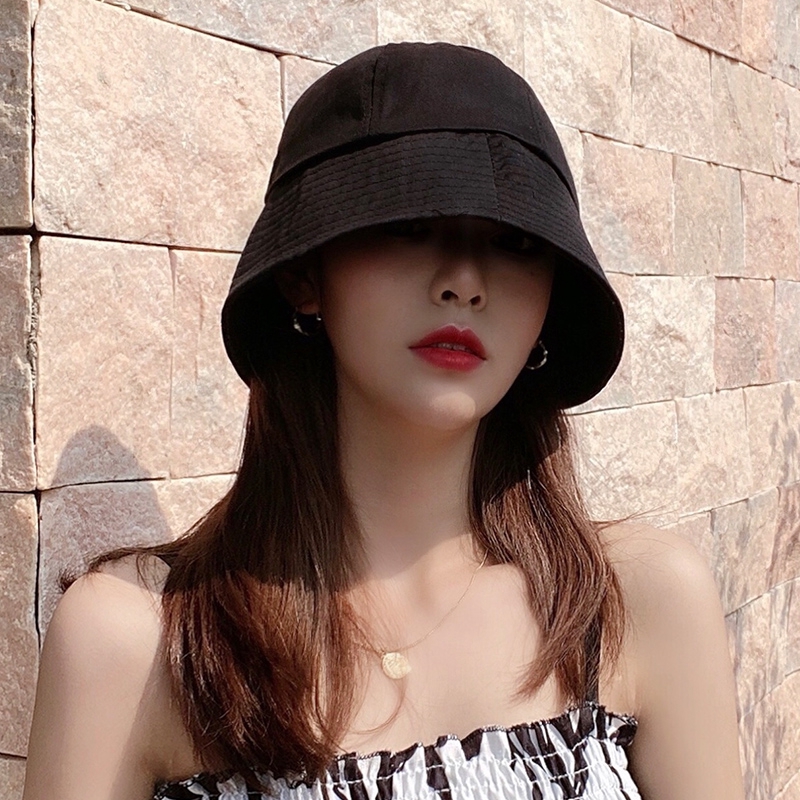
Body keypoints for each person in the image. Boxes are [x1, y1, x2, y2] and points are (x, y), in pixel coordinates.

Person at [23, 42, 745, 800]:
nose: (464, 281)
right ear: (304, 276)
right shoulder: (137, 648)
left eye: (516, 242)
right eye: (411, 223)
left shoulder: (638, 606)